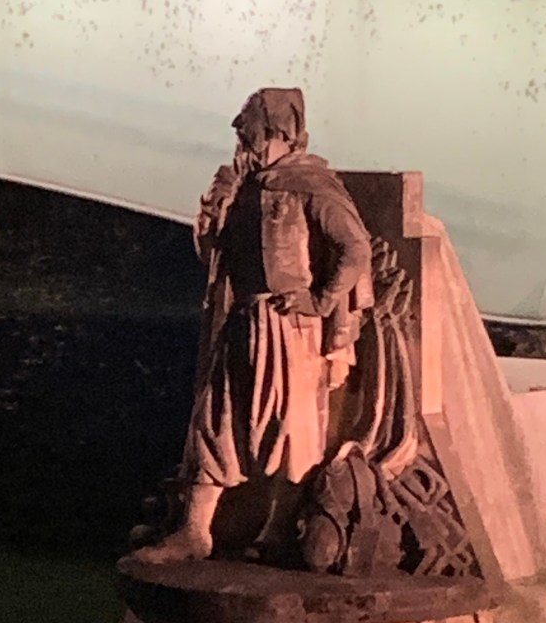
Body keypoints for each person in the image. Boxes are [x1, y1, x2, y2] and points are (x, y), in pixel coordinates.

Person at [137, 88, 373, 564]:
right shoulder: (244, 184)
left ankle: (279, 532)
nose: (239, 133)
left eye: (247, 124)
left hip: (290, 329)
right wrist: (214, 208)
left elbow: (355, 248)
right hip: (243, 320)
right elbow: (213, 256)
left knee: (291, 430)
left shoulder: (311, 185)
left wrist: (320, 301)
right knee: (213, 420)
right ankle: (194, 532)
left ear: (274, 128)